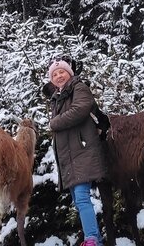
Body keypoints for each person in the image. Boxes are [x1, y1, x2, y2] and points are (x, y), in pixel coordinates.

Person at [46, 57, 107, 246]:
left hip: (82, 151)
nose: (58, 76)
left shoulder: (78, 88)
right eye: (54, 74)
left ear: (69, 73)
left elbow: (81, 109)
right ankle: (94, 238)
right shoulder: (58, 97)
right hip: (70, 155)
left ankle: (91, 240)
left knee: (81, 198)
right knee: (77, 199)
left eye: (61, 72)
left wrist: (54, 123)